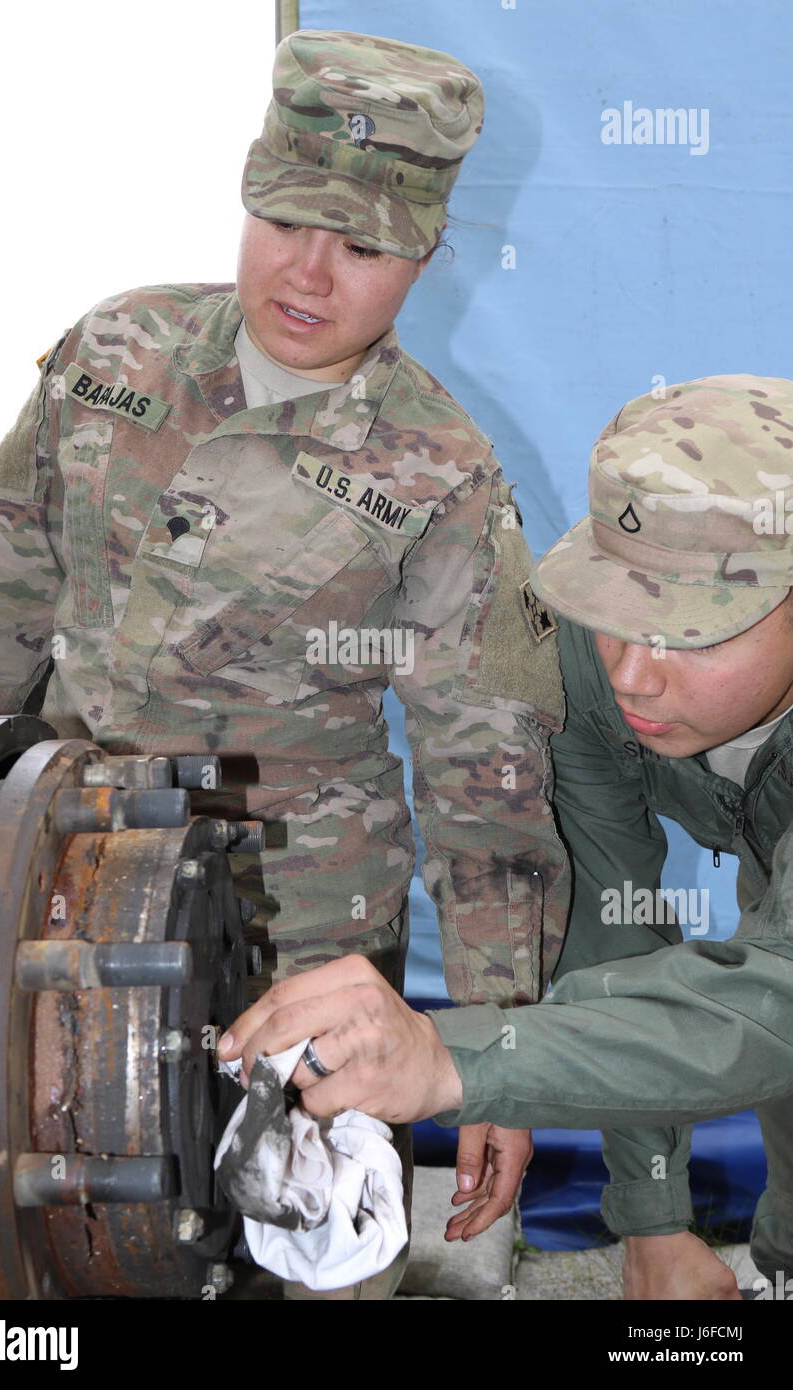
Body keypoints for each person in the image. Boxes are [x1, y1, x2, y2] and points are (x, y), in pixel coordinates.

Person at [0, 29, 570, 1298]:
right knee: (29, 1238)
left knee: (264, 1257)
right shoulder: (113, 354)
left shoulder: (444, 475)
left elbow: (481, 782)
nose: (310, 274)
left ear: (427, 258)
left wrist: (506, 1052)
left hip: (287, 941)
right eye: (285, 220)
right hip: (47, 883)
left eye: (365, 247)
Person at [220, 374, 793, 1301]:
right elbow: (620, 918)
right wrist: (654, 1219)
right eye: (616, 615)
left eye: (688, 631)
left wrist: (455, 1060)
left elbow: (780, 997)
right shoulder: (589, 661)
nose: (633, 675)